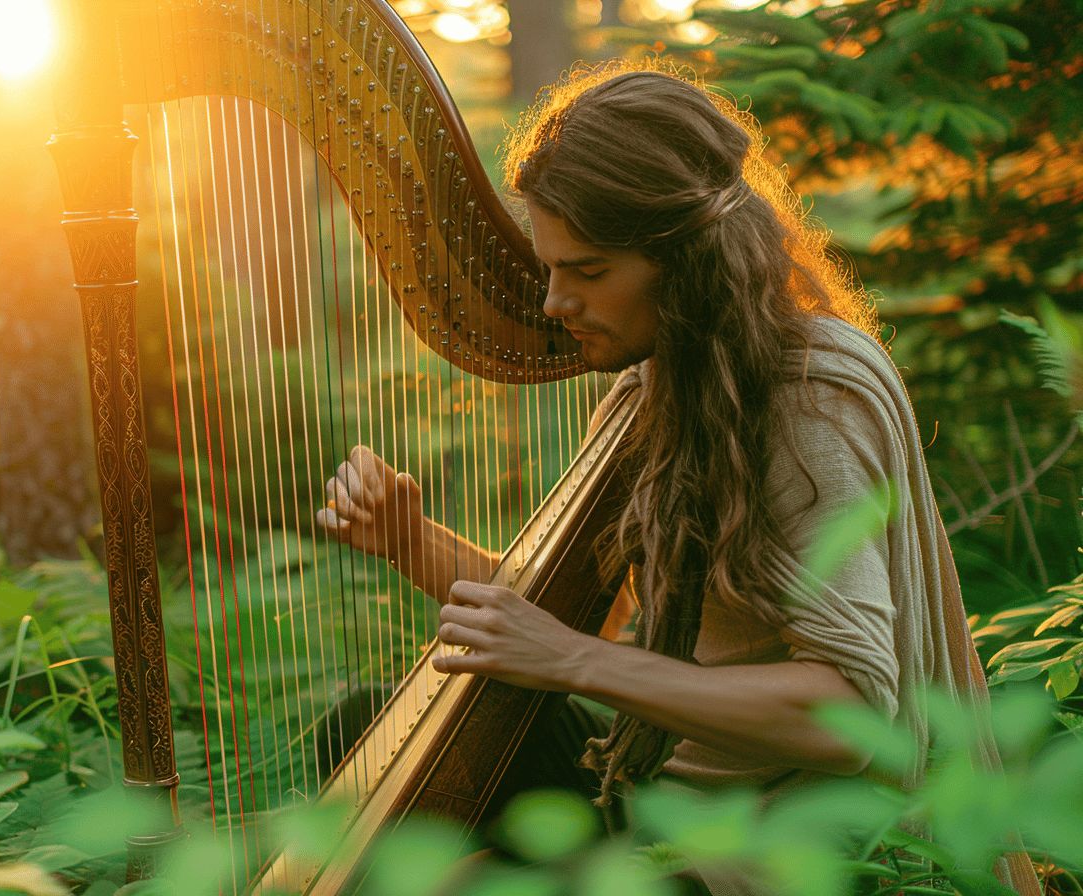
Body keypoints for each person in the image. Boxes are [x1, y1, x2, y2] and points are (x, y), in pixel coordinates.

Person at [315, 63, 1040, 896]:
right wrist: (409, 539)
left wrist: (572, 662)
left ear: (689, 260)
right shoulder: (655, 386)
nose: (554, 303)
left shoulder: (809, 404)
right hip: (660, 786)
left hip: (785, 838)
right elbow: (574, 622)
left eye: (588, 272)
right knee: (367, 724)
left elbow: (849, 711)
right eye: (550, 268)